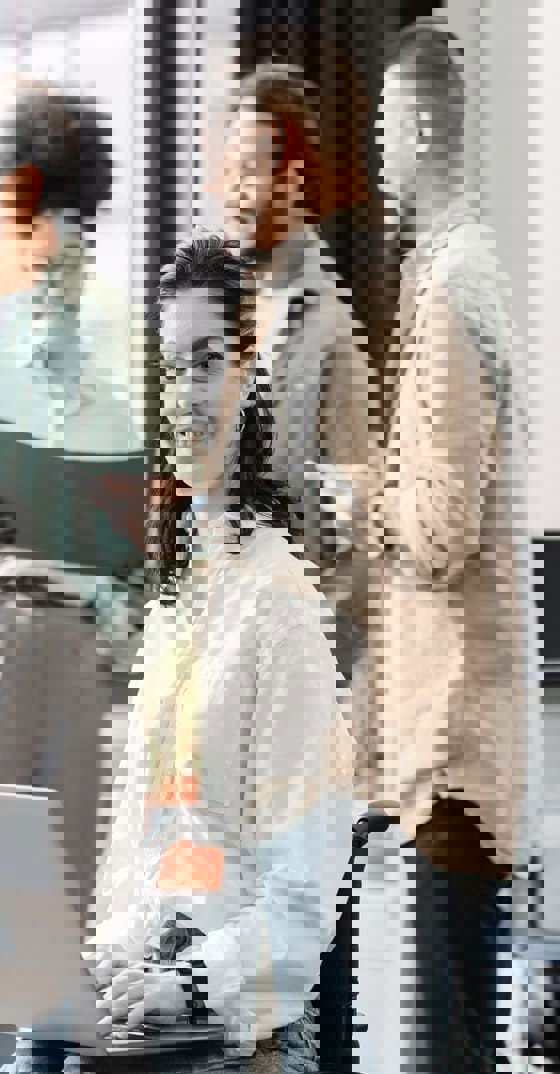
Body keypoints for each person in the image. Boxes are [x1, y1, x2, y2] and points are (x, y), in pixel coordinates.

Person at [0, 237, 355, 1074]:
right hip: (157, 1016)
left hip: (235, 1045)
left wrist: (184, 983)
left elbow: (298, 910)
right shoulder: (175, 605)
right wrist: (104, 960)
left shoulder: (280, 613)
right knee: (34, 1070)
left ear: (251, 378)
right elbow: (143, 857)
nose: (187, 394)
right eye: (170, 368)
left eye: (208, 360)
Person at [373, 21, 531, 1074]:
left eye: (384, 131)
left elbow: (435, 527)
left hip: (455, 759)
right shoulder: (468, 279)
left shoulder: (449, 288)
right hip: (468, 746)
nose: (377, 160)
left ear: (423, 129)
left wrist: (361, 487)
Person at [0, 87, 144, 914]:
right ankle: (47, 1044)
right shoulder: (99, 322)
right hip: (67, 626)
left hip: (41, 622)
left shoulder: (52, 318)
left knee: (17, 878)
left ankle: (22, 1042)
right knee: (65, 878)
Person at [218, 64, 377, 731]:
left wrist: (313, 677)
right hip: (217, 642)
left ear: (292, 180)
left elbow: (352, 527)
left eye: (249, 168)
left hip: (289, 663)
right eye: (228, 167)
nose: (232, 188)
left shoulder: (328, 327)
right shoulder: (218, 302)